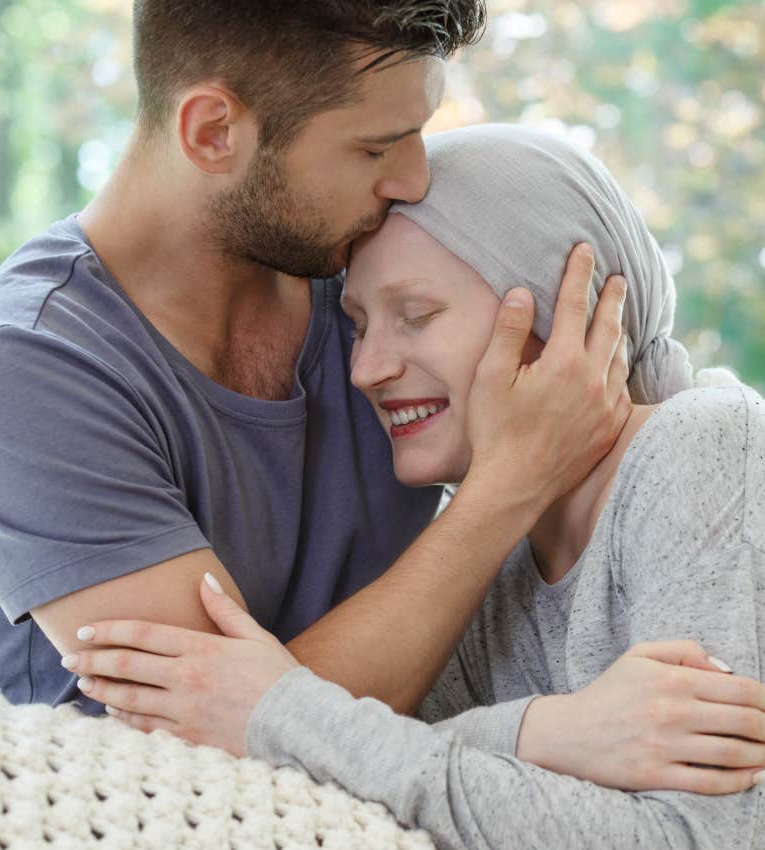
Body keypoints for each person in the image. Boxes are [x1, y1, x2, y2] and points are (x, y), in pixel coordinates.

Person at [0, 3, 630, 717]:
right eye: (376, 148)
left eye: (418, 135)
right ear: (214, 132)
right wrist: (510, 485)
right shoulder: (23, 366)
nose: (413, 182)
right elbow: (220, 725)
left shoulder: (372, 295)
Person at [65, 125, 765, 847]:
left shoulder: (707, 447)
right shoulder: (491, 569)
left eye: (418, 315)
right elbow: (378, 762)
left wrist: (279, 714)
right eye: (360, 326)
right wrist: (541, 734)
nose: (366, 369)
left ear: (570, 313)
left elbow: (711, 833)